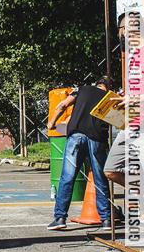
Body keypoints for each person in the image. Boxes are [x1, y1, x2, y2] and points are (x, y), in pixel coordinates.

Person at [46, 77, 119, 231]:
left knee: (67, 178)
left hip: (76, 137)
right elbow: (116, 121)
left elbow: (62, 105)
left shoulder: (81, 89)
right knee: (100, 179)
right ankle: (106, 219)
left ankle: (60, 218)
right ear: (109, 87)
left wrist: (52, 123)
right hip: (97, 139)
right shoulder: (111, 98)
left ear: (97, 84)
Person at [104, 10, 144, 189]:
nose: (119, 34)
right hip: (130, 123)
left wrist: (134, 99)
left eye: (120, 29)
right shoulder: (132, 56)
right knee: (110, 169)